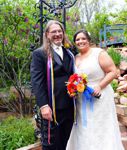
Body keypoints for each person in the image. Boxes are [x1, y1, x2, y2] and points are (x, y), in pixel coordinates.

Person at [66, 29, 124, 150]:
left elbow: (113, 71)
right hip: (82, 100)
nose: (80, 41)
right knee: (84, 128)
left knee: (100, 127)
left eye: (83, 39)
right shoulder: (75, 58)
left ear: (89, 40)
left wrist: (100, 86)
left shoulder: (98, 53)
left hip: (100, 97)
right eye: (77, 39)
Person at [30, 20, 75, 150]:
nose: (57, 34)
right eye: (53, 31)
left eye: (59, 31)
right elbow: (37, 82)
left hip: (69, 106)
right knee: (51, 143)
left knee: (66, 141)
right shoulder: (40, 54)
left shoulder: (69, 52)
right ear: (47, 34)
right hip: (52, 107)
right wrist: (43, 106)